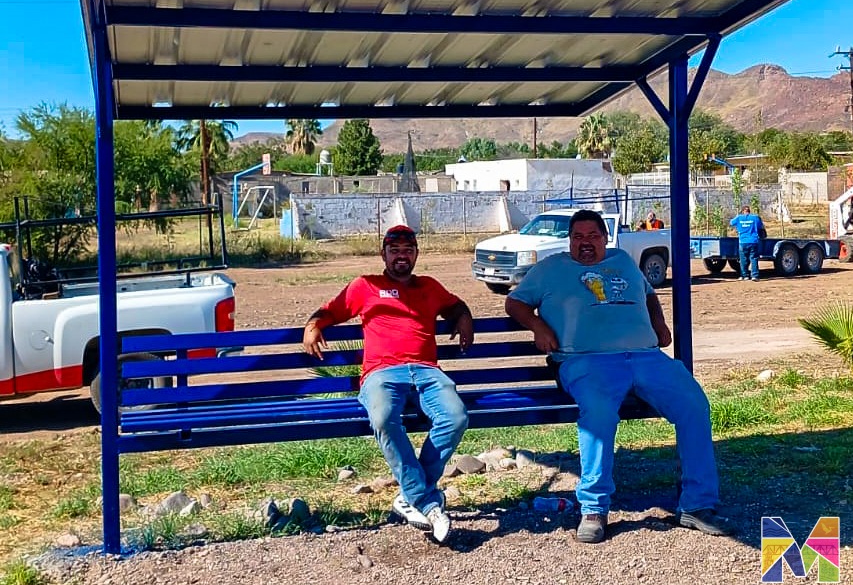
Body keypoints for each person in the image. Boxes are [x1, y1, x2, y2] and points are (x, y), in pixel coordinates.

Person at [505, 209, 730, 544]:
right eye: (578, 237)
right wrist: (538, 326)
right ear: (569, 241)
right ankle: (594, 508)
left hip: (646, 357)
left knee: (694, 405)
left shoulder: (622, 260)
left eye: (593, 236)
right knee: (598, 416)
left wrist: (659, 323)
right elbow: (515, 303)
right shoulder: (550, 269)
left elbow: (649, 295)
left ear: (605, 237)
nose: (585, 243)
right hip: (585, 361)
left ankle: (697, 504)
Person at [302, 225, 473, 544]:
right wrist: (313, 325)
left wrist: (463, 317)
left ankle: (412, 495)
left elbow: (455, 305)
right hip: (382, 374)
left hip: (426, 371)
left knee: (456, 417)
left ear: (416, 254)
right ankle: (425, 500)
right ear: (383, 254)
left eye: (408, 251)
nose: (401, 256)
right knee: (382, 418)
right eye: (395, 251)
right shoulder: (365, 286)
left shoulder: (429, 286)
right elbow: (331, 310)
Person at [729, 205, 766, 281]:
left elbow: (731, 222)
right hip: (753, 241)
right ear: (749, 211)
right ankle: (754, 276)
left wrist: (738, 218)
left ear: (743, 211)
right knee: (754, 258)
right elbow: (760, 226)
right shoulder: (755, 218)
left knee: (743, 260)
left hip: (743, 241)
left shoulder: (739, 218)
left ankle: (744, 275)